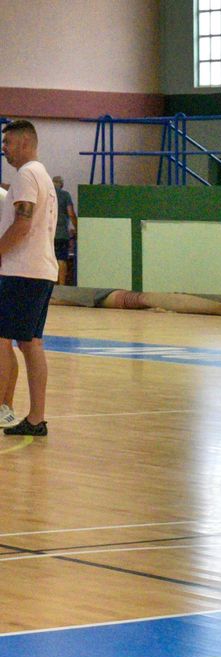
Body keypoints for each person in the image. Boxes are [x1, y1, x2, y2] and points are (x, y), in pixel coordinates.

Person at [0, 120, 58, 436]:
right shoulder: (43, 176)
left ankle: (3, 407)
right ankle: (36, 418)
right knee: (31, 343)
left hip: (22, 271)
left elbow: (22, 225)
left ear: (24, 143)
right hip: (40, 271)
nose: (4, 149)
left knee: (3, 339)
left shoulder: (25, 175)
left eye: (7, 143)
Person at [52, 175, 76, 285]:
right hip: (62, 234)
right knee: (61, 259)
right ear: (62, 185)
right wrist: (77, 228)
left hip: (49, 234)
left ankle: (52, 286)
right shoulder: (65, 195)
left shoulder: (47, 195)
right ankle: (61, 285)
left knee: (50, 260)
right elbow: (71, 213)